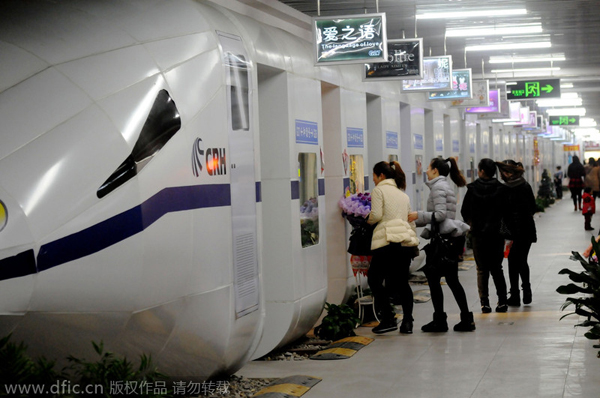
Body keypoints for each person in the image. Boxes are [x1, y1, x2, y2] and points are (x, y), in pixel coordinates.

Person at [408, 157, 473, 332]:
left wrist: (417, 215)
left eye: (429, 168)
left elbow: (440, 215)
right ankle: (465, 318)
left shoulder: (438, 187)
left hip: (442, 241)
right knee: (452, 281)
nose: (426, 171)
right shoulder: (445, 186)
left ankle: (440, 320)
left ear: (435, 170)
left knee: (435, 279)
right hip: (449, 240)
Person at [367, 161, 420, 334]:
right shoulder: (402, 194)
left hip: (387, 242)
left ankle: (388, 318)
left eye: (374, 176)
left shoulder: (378, 190)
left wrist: (365, 220)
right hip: (404, 242)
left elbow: (376, 215)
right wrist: (414, 241)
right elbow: (409, 219)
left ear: (381, 176)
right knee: (402, 282)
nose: (373, 180)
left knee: (374, 279)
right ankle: (407, 322)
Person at [461, 158, 508, 314]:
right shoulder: (501, 189)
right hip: (496, 235)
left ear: (481, 171)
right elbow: (506, 213)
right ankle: (502, 302)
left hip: (478, 235)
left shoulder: (472, 189)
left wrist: (472, 223)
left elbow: (464, 211)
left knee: (482, 270)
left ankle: (485, 303)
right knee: (497, 269)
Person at [496, 160, 537, 306]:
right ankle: (526, 291)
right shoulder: (525, 185)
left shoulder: (504, 189)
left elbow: (501, 211)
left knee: (513, 262)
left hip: (511, 231)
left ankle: (515, 295)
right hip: (527, 230)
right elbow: (533, 207)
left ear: (507, 173)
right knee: (521, 260)